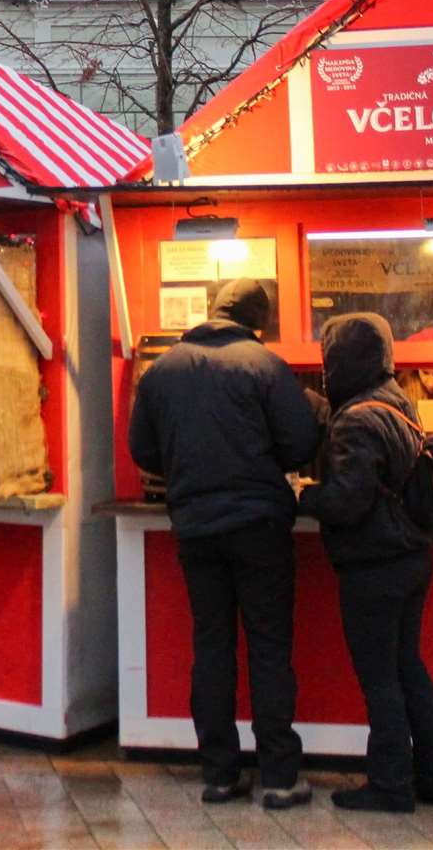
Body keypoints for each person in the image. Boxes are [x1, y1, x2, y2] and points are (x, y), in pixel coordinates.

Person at [128, 279, 322, 809]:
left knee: (211, 646)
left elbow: (141, 448)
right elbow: (303, 442)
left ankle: (218, 773)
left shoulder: (162, 370)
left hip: (193, 525)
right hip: (260, 525)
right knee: (268, 646)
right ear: (257, 322)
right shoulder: (264, 365)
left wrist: (186, 470)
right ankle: (280, 776)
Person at [300, 314, 433, 813]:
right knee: (408, 668)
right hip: (412, 556)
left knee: (381, 678)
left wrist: (304, 495)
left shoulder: (356, 420)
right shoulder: (397, 403)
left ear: (343, 362)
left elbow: (349, 500)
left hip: (375, 565)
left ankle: (390, 785)